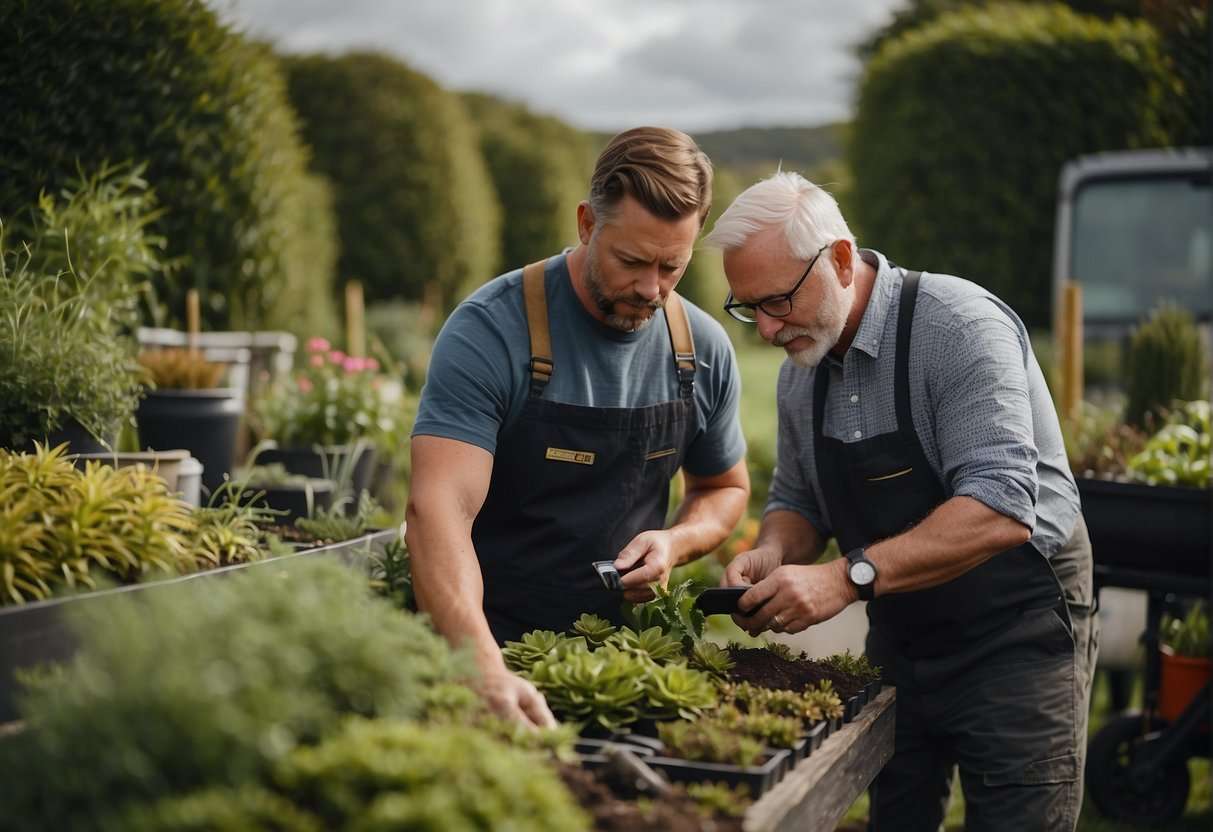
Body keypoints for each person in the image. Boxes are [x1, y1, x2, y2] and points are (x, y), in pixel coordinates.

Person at [704, 172, 1096, 831]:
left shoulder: (955, 328)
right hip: (904, 635)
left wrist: (844, 576)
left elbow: (999, 508)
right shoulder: (805, 370)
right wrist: (771, 551)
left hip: (1015, 630)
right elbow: (799, 501)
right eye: (748, 309)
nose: (767, 329)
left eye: (776, 301)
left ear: (838, 258)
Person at [406, 127, 750, 728]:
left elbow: (724, 489)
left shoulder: (702, 350)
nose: (651, 289)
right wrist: (480, 663)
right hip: (489, 646)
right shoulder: (491, 332)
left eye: (673, 266)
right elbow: (437, 511)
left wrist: (675, 542)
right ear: (588, 224)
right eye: (632, 261)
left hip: (624, 666)